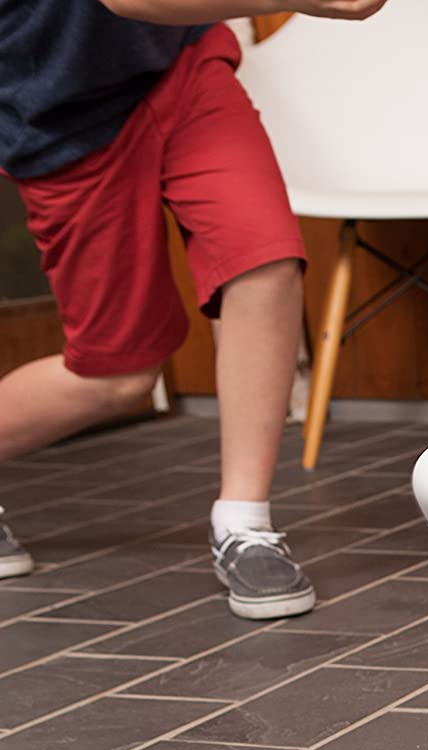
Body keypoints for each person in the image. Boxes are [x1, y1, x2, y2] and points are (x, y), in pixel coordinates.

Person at [0, 0, 385, 616]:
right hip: (62, 124)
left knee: (263, 261)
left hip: (180, 68)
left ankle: (244, 524)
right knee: (117, 378)